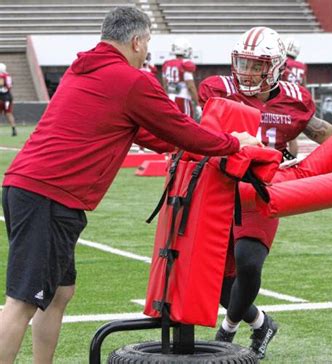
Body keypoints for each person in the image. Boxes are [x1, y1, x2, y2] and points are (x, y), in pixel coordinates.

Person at [0, 7, 260, 363]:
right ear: (136, 41)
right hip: (48, 194)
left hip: (31, 189)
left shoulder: (86, 69)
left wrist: (186, 151)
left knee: (59, 293)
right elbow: (180, 128)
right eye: (148, 42)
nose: (147, 51)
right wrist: (234, 144)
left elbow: (149, 133)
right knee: (21, 302)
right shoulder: (130, 80)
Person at [198, 26, 332, 359]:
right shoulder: (217, 90)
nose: (246, 72)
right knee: (219, 279)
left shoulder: (295, 99)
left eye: (255, 65)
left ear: (274, 67)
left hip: (263, 187)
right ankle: (262, 323)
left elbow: (329, 139)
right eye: (242, 63)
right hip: (221, 187)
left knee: (249, 262)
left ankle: (227, 331)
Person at [162, 38, 202, 121]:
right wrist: (197, 104)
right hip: (182, 100)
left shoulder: (167, 64)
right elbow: (190, 86)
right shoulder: (185, 64)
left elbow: (165, 85)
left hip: (169, 99)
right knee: (186, 125)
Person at [281, 37, 308, 157]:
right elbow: (304, 86)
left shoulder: (282, 62)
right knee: (292, 136)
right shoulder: (302, 66)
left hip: (282, 99)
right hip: (296, 100)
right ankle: (292, 160)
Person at [0, 63, 17, 136]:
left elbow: (1, 84)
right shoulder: (8, 75)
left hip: (1, 97)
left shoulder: (1, 76)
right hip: (8, 96)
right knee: (9, 113)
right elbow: (10, 85)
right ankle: (13, 129)